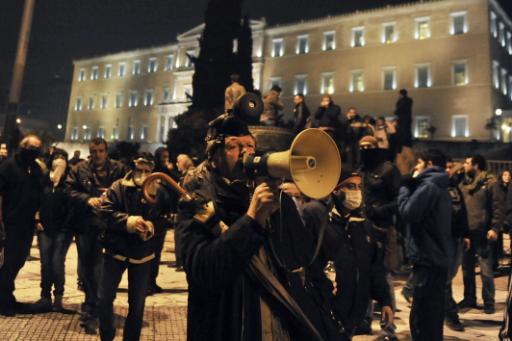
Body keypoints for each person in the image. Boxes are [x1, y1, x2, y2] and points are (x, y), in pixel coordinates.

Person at [178, 113, 344, 341]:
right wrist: (251, 220)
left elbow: (303, 258)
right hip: (230, 327)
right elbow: (204, 272)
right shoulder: (195, 202)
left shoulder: (278, 200)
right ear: (214, 157)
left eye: (249, 145)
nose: (245, 152)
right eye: (233, 146)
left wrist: (323, 294)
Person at [302, 171, 394, 339]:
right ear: (335, 190)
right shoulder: (316, 216)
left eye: (359, 187)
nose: (356, 192)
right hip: (323, 313)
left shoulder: (362, 225)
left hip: (352, 317)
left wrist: (385, 301)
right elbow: (308, 263)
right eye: (350, 186)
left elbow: (374, 268)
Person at [98, 153, 172, 341]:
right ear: (133, 168)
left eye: (148, 170)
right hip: (116, 251)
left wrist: (151, 227)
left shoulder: (160, 191)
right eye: (140, 169)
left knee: (137, 305)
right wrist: (128, 222)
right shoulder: (118, 187)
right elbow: (105, 211)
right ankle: (106, 335)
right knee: (104, 299)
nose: (143, 174)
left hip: (143, 254)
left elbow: (166, 218)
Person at [66, 137, 127, 333]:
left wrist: (111, 197)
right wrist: (87, 199)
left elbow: (129, 189)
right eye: (94, 151)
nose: (98, 155)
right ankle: (90, 308)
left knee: (105, 269)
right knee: (88, 269)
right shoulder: (79, 169)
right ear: (90, 151)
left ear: (106, 151)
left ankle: (101, 306)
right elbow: (68, 190)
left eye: (101, 151)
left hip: (111, 227)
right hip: (86, 226)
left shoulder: (119, 169)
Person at [398, 149, 453, 341]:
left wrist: (404, 188)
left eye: (419, 163)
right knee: (433, 318)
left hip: (427, 260)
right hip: (438, 259)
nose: (416, 167)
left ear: (429, 164)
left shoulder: (428, 186)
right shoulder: (443, 185)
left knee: (421, 319)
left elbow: (408, 213)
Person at [0, 135, 45, 316]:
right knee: (8, 263)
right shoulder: (8, 167)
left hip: (27, 225)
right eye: (31, 147)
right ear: (22, 147)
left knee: (17, 262)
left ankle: (7, 297)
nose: (34, 151)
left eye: (37, 148)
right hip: (10, 224)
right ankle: (3, 302)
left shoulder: (34, 168)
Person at [458, 154, 504, 314]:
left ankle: (489, 303)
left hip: (484, 233)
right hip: (467, 233)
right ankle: (469, 299)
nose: (464, 165)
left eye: (467, 163)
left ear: (476, 165)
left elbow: (498, 208)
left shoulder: (490, 183)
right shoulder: (463, 183)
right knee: (466, 269)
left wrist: (495, 228)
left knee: (486, 270)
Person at [34, 150, 74, 312]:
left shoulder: (69, 183)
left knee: (57, 263)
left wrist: (66, 226)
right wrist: (37, 219)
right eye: (56, 158)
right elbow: (35, 200)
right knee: (46, 263)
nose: (59, 161)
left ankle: (58, 297)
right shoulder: (44, 181)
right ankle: (45, 297)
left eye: (63, 158)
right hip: (44, 228)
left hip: (62, 230)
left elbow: (72, 208)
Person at [443, 157, 470, 331]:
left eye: (451, 167)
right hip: (443, 240)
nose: (449, 170)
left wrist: (465, 234)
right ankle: (451, 315)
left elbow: (462, 212)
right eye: (447, 167)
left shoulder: (453, 185)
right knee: (445, 281)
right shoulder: (435, 187)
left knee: (448, 278)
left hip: (456, 239)